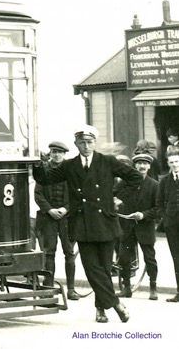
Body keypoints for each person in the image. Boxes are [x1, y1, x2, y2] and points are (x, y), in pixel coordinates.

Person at [33, 124, 142, 323]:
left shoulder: (107, 161)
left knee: (104, 268)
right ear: (76, 144)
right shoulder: (69, 165)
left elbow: (135, 177)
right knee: (92, 269)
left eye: (89, 142)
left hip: (105, 222)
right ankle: (115, 303)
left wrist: (116, 197)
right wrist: (40, 163)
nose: (86, 146)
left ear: (94, 143)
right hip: (82, 224)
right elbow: (45, 179)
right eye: (82, 142)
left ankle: (100, 310)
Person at [34, 141, 80, 300]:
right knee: (49, 252)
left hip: (67, 217)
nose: (57, 155)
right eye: (54, 151)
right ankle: (47, 286)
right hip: (49, 218)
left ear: (64, 154)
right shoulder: (44, 171)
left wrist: (66, 209)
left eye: (60, 152)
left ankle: (72, 289)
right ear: (50, 153)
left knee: (69, 252)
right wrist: (50, 210)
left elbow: (77, 193)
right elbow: (38, 194)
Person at [114, 153, 159, 300]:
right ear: (135, 166)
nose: (142, 166)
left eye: (145, 163)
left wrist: (144, 215)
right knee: (124, 258)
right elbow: (113, 196)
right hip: (126, 226)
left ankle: (153, 287)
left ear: (149, 166)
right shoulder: (125, 183)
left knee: (150, 258)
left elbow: (158, 208)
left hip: (145, 227)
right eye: (139, 163)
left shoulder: (154, 185)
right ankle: (126, 287)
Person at [156, 148, 179, 302]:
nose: (175, 165)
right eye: (171, 162)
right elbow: (159, 202)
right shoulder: (164, 181)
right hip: (172, 225)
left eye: (177, 161)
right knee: (177, 258)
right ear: (168, 164)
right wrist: (164, 218)